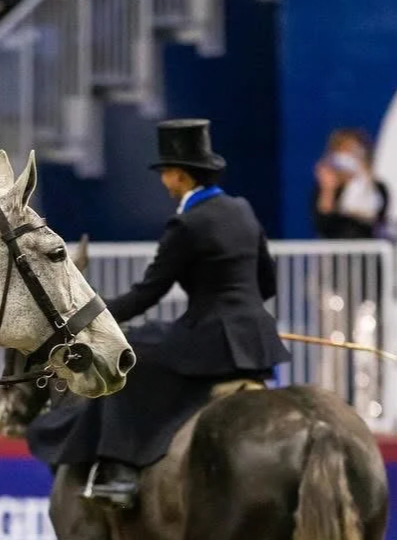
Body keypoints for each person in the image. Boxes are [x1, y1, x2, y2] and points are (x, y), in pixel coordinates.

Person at [78, 119, 290, 508]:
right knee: (156, 333)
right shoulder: (242, 209)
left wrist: (93, 314)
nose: (163, 181)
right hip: (258, 340)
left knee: (127, 363)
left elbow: (148, 293)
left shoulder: (187, 224)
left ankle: (120, 472)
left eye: (165, 173)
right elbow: (268, 284)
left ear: (178, 175)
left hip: (212, 344)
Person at [312, 128, 389, 240]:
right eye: (343, 152)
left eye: (353, 152)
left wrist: (365, 182)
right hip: (334, 252)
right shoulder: (326, 188)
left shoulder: (378, 188)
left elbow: (377, 218)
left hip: (367, 251)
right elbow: (323, 224)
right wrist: (328, 190)